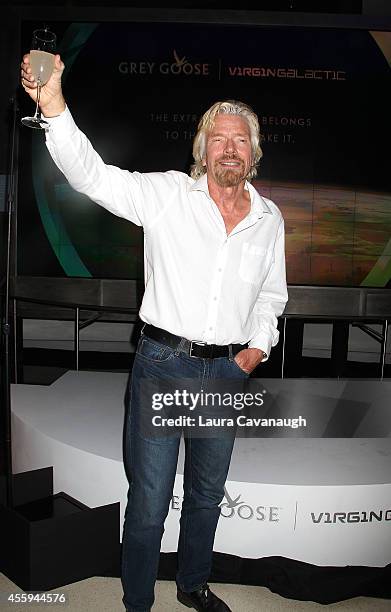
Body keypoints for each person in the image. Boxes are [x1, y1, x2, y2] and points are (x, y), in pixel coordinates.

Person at [21, 53, 288, 612]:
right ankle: (138, 602)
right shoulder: (167, 196)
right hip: (163, 366)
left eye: (241, 140)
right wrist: (55, 107)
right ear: (203, 149)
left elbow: (271, 294)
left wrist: (257, 346)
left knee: (208, 495)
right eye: (220, 139)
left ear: (254, 152)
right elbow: (91, 176)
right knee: (148, 500)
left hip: (226, 372)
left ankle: (192, 584)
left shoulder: (269, 219)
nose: (230, 148)